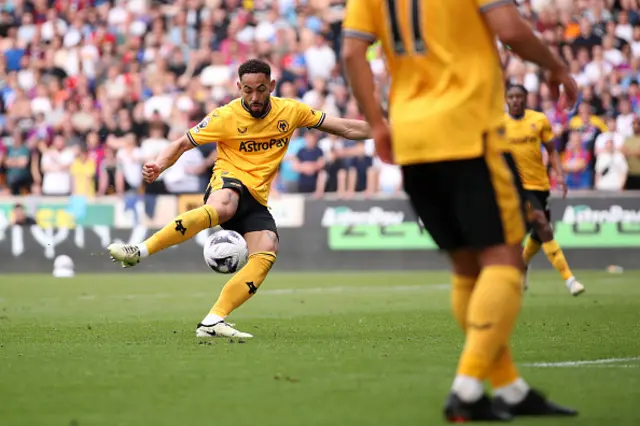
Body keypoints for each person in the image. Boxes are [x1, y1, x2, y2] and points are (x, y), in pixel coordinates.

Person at [341, 0, 578, 422]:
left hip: (412, 138)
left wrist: (377, 123)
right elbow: (512, 29)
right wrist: (556, 66)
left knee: (467, 269)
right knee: (504, 258)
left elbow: (352, 53)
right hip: (470, 133)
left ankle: (508, 388)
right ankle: (467, 389)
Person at [108, 59, 371, 340]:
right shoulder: (225, 116)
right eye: (247, 90)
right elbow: (182, 143)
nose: (254, 97)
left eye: (260, 90)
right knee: (225, 204)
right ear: (238, 87)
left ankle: (212, 321)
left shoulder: (291, 111)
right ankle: (140, 250)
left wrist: (387, 130)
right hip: (228, 182)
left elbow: (345, 128)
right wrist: (159, 165)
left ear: (271, 86)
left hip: (256, 198)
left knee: (267, 249)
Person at [505, 84, 585, 296]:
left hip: (540, 184)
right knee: (542, 224)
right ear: (506, 100)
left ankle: (521, 265)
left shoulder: (538, 120)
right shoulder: (499, 125)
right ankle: (570, 280)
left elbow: (551, 150)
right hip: (517, 188)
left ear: (525, 99)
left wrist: (559, 174)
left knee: (539, 233)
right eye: (510, 97)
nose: (515, 100)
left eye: (519, 97)